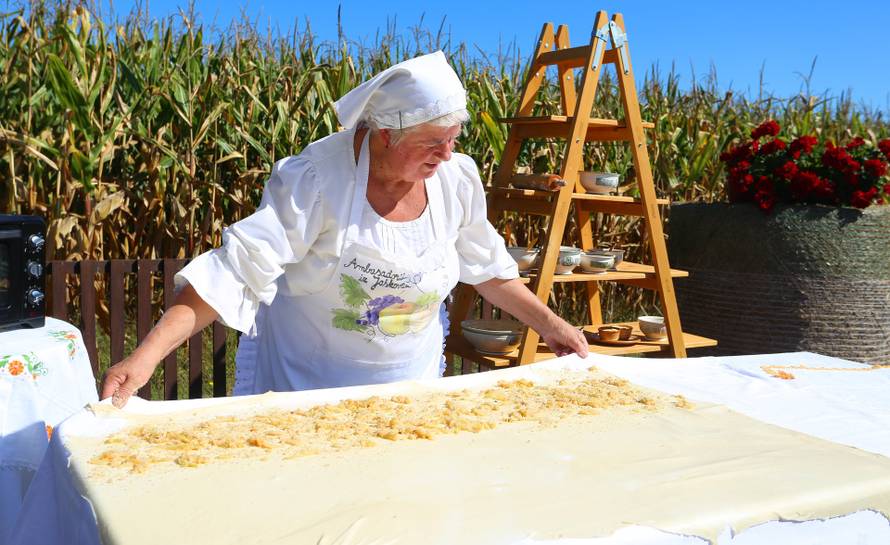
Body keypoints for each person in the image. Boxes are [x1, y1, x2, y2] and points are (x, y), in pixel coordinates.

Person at [101, 51, 587, 408]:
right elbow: (235, 272)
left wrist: (553, 327)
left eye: (453, 140)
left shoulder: (456, 178)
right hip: (306, 391)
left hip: (410, 388)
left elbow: (487, 270)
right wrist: (145, 359)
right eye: (432, 143)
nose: (446, 154)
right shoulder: (316, 179)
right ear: (385, 134)